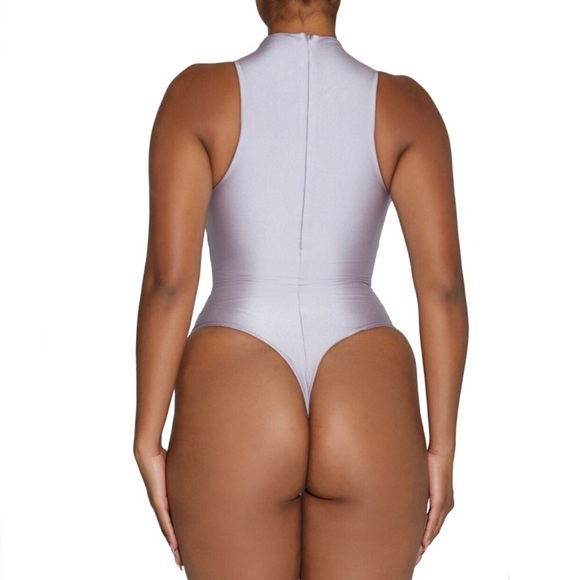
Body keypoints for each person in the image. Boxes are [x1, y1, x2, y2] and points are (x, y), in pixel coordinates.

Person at [133, 0, 468, 577]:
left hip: (235, 377)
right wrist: (442, 447)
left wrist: (147, 435)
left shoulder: (197, 95)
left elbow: (168, 284)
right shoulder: (407, 107)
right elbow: (443, 291)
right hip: (366, 382)